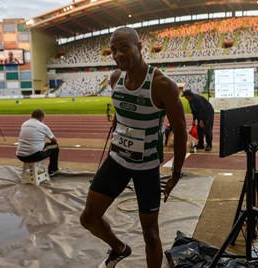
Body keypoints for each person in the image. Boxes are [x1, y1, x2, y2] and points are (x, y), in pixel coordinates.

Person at [80, 27, 187, 268]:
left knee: (150, 233)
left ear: (140, 46)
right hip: (117, 160)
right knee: (88, 218)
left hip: (146, 167)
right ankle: (119, 248)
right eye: (113, 50)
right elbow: (122, 112)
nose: (118, 55)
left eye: (124, 47)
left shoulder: (162, 85)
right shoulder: (116, 78)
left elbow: (180, 132)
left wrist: (176, 173)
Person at [16, 109, 60, 176]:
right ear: (42, 117)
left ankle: (32, 168)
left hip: (20, 155)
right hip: (33, 156)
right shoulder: (42, 126)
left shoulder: (24, 123)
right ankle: (52, 170)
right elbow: (54, 140)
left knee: (37, 145)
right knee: (55, 146)